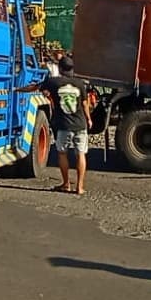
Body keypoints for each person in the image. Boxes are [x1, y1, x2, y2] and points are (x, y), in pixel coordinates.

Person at [39, 55, 92, 195]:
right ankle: (79, 187)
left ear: (60, 68)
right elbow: (85, 104)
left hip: (63, 125)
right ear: (72, 68)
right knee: (81, 154)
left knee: (63, 153)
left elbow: (36, 87)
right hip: (80, 124)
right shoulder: (80, 84)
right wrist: (89, 119)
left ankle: (66, 183)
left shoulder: (53, 82)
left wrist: (17, 90)